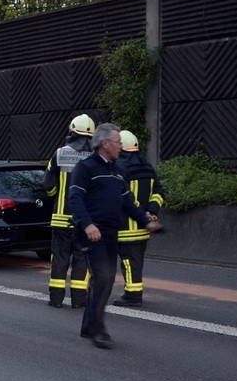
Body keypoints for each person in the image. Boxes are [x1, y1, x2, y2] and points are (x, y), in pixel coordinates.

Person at [68, 123, 161, 349]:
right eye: (118, 142)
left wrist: (146, 221)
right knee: (104, 277)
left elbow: (128, 202)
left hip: (111, 233)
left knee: (105, 279)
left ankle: (88, 326)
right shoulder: (86, 167)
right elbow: (75, 199)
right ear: (105, 143)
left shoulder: (117, 171)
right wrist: (88, 224)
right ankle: (98, 331)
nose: (121, 146)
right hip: (92, 233)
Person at [44, 113, 95, 309]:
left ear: (72, 131)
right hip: (85, 221)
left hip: (61, 219)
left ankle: (56, 300)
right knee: (82, 259)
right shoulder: (95, 158)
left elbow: (49, 185)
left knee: (60, 258)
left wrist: (58, 195)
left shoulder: (60, 153)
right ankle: (79, 301)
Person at [114, 130, 166, 307]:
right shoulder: (147, 166)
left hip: (126, 226)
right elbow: (158, 193)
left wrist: (140, 213)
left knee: (128, 263)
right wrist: (151, 211)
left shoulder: (120, 166)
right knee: (136, 262)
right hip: (145, 226)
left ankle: (133, 296)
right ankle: (134, 292)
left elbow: (124, 196)